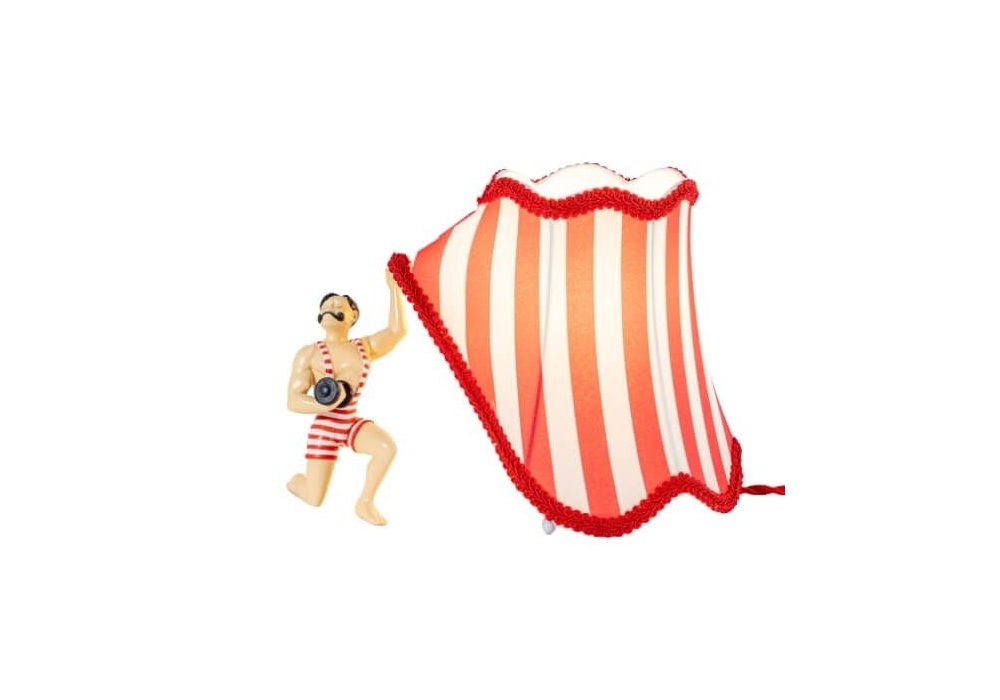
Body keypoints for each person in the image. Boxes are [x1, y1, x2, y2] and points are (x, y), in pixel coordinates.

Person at [285, 269, 406, 525]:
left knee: (386, 448)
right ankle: (297, 482)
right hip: (324, 428)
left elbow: (397, 330)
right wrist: (323, 403)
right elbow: (293, 400)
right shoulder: (308, 353)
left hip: (349, 423)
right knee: (314, 499)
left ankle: (365, 502)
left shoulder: (365, 347)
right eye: (328, 305)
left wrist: (394, 288)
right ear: (320, 315)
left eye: (340, 305)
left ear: (353, 317)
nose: (332, 307)